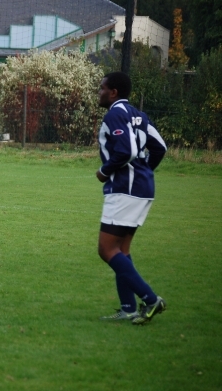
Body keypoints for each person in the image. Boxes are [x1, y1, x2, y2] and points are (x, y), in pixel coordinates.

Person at [96, 71, 168, 325]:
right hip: (142, 188)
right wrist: (145, 170)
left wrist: (104, 171)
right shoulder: (140, 115)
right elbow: (160, 147)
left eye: (102, 88)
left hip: (125, 189)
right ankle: (128, 308)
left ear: (113, 92)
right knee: (121, 249)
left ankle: (150, 299)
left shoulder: (115, 114)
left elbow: (125, 150)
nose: (100, 91)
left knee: (106, 249)